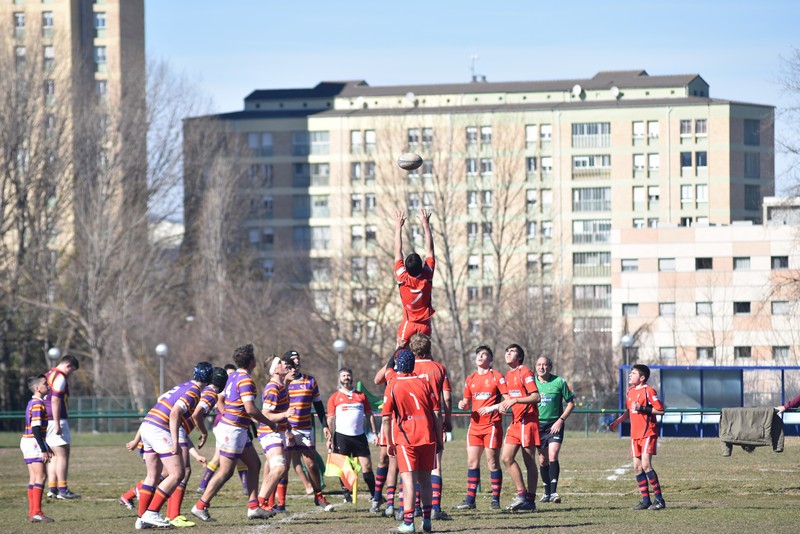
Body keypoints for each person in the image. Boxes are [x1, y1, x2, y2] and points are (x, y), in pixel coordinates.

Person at [191, 344, 279, 522]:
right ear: (251, 361)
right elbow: (250, 409)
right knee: (225, 472)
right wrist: (269, 423)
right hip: (234, 430)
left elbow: (222, 399)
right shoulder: (245, 380)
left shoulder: (232, 376)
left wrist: (229, 414)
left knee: (254, 464)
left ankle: (254, 507)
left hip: (236, 429)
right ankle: (200, 506)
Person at [135, 361, 213, 529]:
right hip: (159, 428)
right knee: (178, 474)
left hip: (147, 424)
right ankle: (152, 513)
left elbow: (161, 399)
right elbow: (175, 412)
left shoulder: (184, 385)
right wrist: (175, 442)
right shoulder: (194, 392)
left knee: (153, 476)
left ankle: (141, 518)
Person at [382, 350, 443, 534]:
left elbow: (386, 418)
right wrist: (439, 438)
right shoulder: (424, 382)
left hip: (407, 438)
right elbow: (436, 413)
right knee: (425, 479)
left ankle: (408, 522)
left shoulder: (392, 384)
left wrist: (389, 442)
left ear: (397, 365)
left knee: (408, 479)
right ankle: (426, 520)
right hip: (428, 436)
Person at [455, 345, 508, 511]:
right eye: (478, 354)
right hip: (474, 426)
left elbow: (507, 401)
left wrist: (492, 408)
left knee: (492, 462)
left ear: (490, 359)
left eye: (484, 354)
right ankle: (470, 500)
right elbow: (466, 403)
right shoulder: (470, 378)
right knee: (472, 462)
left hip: (491, 425)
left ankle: (495, 499)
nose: (480, 356)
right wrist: (462, 404)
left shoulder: (497, 377)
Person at [609, 364, 667, 511]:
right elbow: (629, 411)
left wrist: (642, 408)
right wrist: (617, 422)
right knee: (637, 467)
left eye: (633, 373)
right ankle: (645, 500)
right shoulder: (630, 391)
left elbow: (660, 410)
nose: (630, 375)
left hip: (648, 432)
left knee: (646, 465)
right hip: (635, 435)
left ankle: (659, 500)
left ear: (642, 378)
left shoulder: (649, 390)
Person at [407, 333, 452, 520]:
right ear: (429, 348)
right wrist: (447, 421)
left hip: (410, 422)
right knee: (434, 467)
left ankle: (413, 507)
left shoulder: (407, 368)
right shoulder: (439, 368)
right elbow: (447, 397)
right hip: (433, 421)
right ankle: (434, 509)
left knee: (411, 469)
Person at [284, 350, 335, 512]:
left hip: (305, 429)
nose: (296, 362)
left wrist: (325, 425)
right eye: (293, 360)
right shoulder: (283, 383)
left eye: (298, 359)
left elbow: (319, 406)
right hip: (287, 429)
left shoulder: (310, 381)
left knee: (311, 465)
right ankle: (278, 502)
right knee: (281, 466)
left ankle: (318, 496)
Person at [326, 367, 379, 506]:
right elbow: (330, 420)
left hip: (359, 436)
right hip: (342, 436)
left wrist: (375, 433)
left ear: (352, 377)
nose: (346, 378)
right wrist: (329, 439)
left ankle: (375, 496)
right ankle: (346, 494)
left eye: (348, 375)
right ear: (339, 378)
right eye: (343, 375)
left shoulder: (361, 396)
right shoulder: (335, 397)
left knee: (367, 466)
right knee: (343, 467)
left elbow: (369, 415)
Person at [498, 343, 540, 511]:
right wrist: (504, 405)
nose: (508, 353)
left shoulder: (525, 372)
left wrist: (515, 400)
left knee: (529, 461)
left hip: (528, 422)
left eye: (512, 351)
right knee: (506, 458)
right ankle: (521, 494)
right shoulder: (508, 375)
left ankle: (530, 500)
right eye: (506, 351)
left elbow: (536, 396)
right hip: (515, 422)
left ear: (520, 357)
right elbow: (509, 398)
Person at [196, 363, 249, 496]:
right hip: (224, 425)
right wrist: (228, 416)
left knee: (240, 460)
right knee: (220, 461)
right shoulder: (218, 392)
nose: (230, 376)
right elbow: (218, 401)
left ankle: (246, 488)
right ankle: (203, 492)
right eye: (228, 374)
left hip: (232, 426)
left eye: (232, 374)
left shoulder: (233, 386)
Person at [256, 355, 296, 511]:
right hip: (269, 432)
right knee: (279, 468)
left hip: (277, 432)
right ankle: (259, 503)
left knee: (278, 468)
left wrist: (287, 430)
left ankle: (261, 502)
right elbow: (265, 414)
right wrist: (285, 415)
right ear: (274, 370)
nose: (284, 364)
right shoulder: (273, 388)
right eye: (280, 363)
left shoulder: (281, 386)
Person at [535, 355, 575, 504]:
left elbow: (571, 404)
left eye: (545, 365)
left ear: (550, 367)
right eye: (539, 364)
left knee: (553, 455)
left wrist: (560, 420)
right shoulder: (531, 383)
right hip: (538, 426)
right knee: (543, 459)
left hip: (554, 424)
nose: (541, 367)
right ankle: (546, 493)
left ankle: (553, 492)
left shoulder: (559, 382)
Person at [394, 209, 435, 348]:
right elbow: (430, 250)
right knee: (424, 356)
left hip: (409, 323)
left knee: (397, 355)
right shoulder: (427, 275)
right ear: (421, 265)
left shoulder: (402, 277)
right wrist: (426, 224)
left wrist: (398, 227)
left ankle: (391, 370)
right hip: (425, 324)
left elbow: (397, 251)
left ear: (405, 267)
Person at [44, 353, 80, 500]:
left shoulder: (48, 375)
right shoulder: (60, 377)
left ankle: (52, 488)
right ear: (68, 365)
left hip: (46, 420)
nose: (71, 374)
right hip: (56, 420)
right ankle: (63, 490)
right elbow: (55, 401)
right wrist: (58, 423)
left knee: (53, 456)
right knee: (63, 455)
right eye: (72, 370)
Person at [372, 349, 403, 517]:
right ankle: (379, 499)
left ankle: (398, 503)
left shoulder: (412, 367)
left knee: (399, 464)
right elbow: (377, 379)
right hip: (390, 420)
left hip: (402, 420)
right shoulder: (392, 368)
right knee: (386, 459)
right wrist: (395, 351)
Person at [21, 374, 55, 523]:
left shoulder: (32, 402)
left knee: (34, 478)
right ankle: (37, 512)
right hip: (33, 442)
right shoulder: (37, 404)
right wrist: (43, 449)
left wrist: (46, 446)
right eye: (44, 384)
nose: (48, 386)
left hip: (28, 441)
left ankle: (32, 512)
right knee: (41, 477)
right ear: (37, 388)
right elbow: (35, 428)